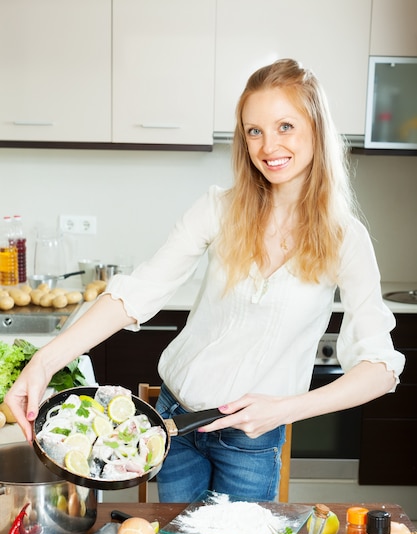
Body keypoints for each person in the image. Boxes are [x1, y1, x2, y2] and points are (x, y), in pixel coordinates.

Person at [6, 58, 404, 503]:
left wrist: (286, 409)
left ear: (316, 128)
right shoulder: (219, 209)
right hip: (174, 423)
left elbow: (380, 371)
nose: (268, 145)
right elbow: (139, 292)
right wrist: (44, 361)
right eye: (254, 131)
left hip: (251, 442)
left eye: (285, 126)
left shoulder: (345, 239)